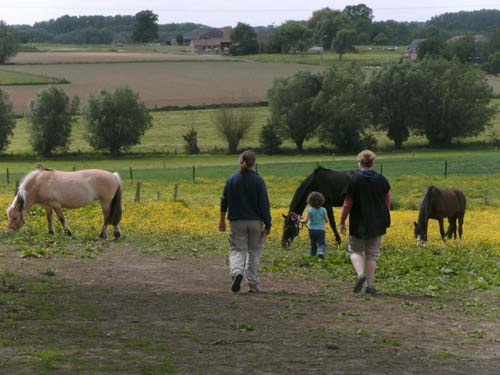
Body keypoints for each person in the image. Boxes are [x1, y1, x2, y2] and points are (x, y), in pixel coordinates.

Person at [219, 150, 272, 293]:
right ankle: (253, 285)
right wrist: (268, 223)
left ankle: (237, 272)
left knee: (237, 250)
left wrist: (222, 221)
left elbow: (224, 201)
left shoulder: (231, 179)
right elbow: (264, 204)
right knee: (254, 252)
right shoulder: (258, 180)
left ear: (240, 161)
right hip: (255, 222)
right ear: (254, 162)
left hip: (236, 221)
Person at [339, 150, 391, 295]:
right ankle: (369, 285)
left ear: (359, 162)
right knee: (372, 254)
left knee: (355, 250)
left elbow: (347, 203)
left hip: (359, 222)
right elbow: (387, 200)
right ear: (372, 162)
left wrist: (342, 221)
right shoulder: (381, 179)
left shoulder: (354, 179)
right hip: (377, 221)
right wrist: (384, 215)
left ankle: (360, 274)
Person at [299, 191, 329, 259]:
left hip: (311, 230)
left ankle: (312, 256)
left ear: (310, 201)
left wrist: (300, 220)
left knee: (313, 244)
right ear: (321, 200)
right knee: (321, 243)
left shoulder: (309, 210)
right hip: (321, 230)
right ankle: (321, 252)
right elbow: (327, 221)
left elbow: (305, 221)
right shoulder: (324, 210)